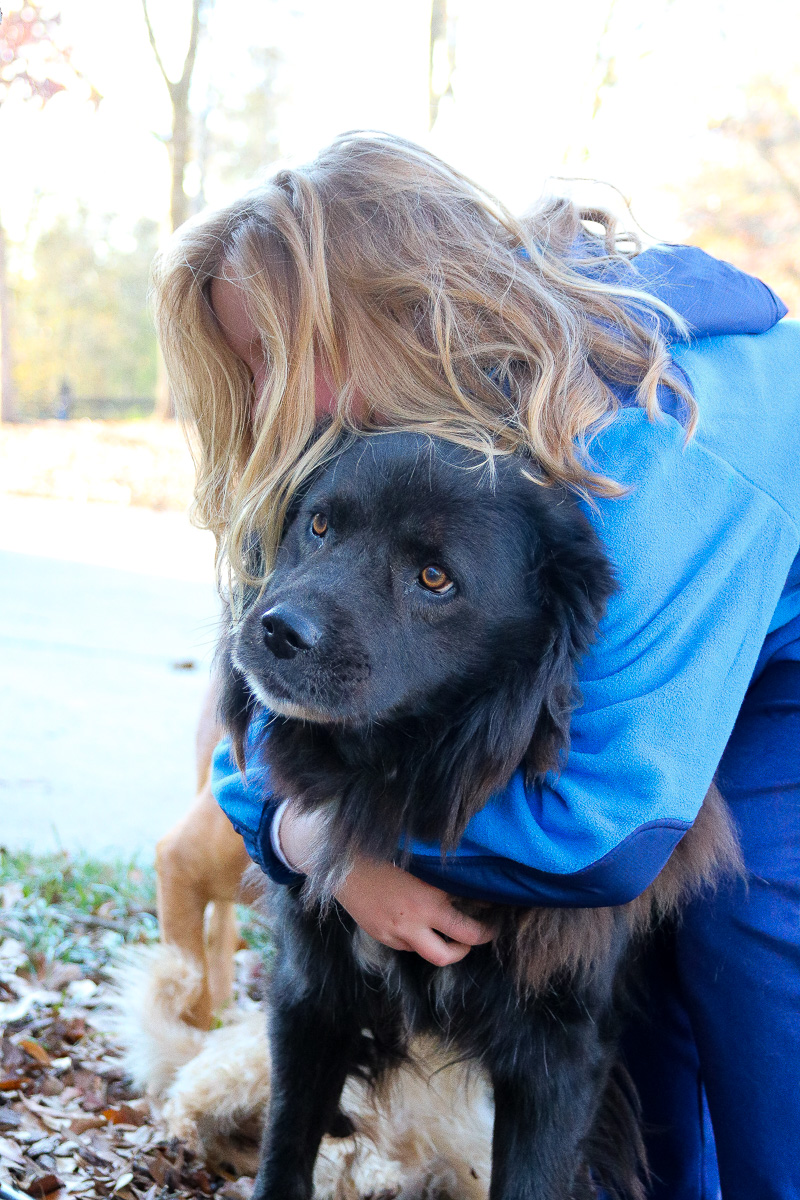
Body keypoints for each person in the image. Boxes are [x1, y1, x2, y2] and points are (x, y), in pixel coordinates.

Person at [152, 133, 799, 1200]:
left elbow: (601, 838)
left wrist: (325, 836)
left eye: (281, 351)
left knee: (742, 932)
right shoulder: (404, 438)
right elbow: (282, 679)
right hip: (695, 608)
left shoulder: (640, 464)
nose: (268, 397)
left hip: (778, 644)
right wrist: (300, 828)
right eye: (242, 361)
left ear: (400, 307)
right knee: (631, 1004)